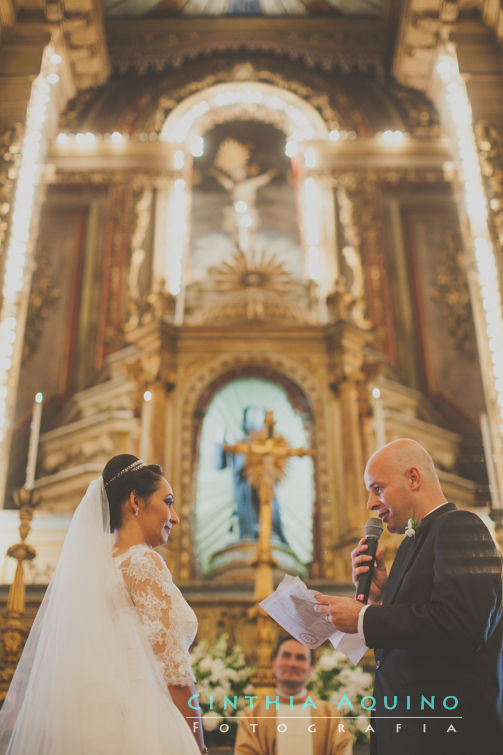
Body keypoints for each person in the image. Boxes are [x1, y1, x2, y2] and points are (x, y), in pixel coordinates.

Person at [0, 454, 206, 755]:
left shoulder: (95, 571)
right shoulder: (143, 562)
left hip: (96, 718)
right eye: (168, 502)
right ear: (135, 501)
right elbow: (174, 668)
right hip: (146, 717)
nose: (174, 517)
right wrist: (197, 740)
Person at [313, 438, 503, 755]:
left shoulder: (460, 527)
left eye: (378, 488)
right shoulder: (410, 546)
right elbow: (424, 620)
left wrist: (364, 618)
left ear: (413, 478)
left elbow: (462, 624)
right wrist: (382, 597)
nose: (371, 504)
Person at [234, 636, 352, 755]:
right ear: (274, 663)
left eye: (300, 658)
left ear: (311, 668)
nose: (292, 663)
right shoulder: (253, 716)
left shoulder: (330, 715)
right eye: (286, 656)